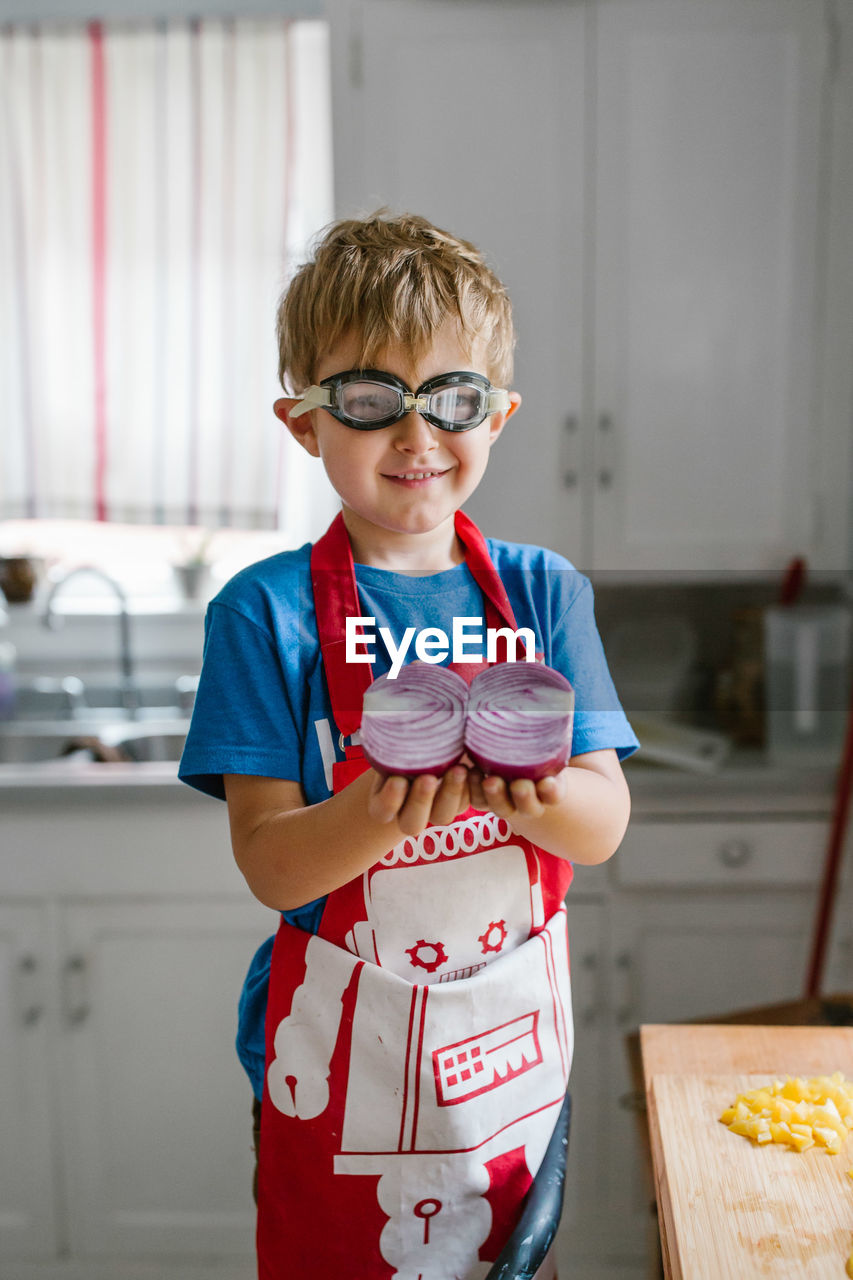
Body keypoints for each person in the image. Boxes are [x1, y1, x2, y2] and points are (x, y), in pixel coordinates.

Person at [179, 211, 639, 1280]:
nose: (417, 434)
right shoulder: (265, 612)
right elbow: (270, 862)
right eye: (371, 398)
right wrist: (377, 804)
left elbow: (604, 823)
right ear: (304, 423)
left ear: (501, 414)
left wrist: (526, 788)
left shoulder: (542, 591)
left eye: (453, 398)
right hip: (342, 1064)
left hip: (505, 1056)